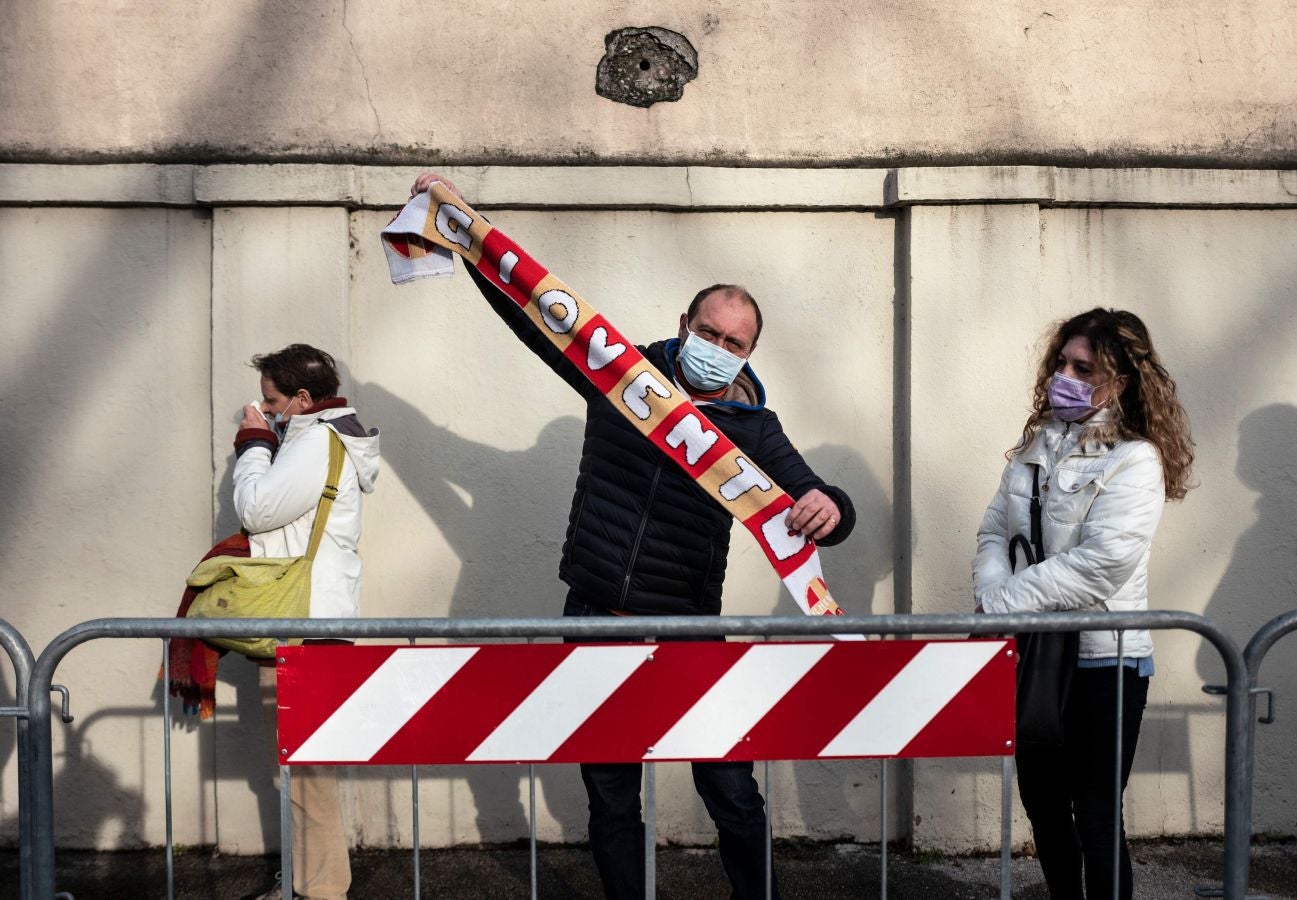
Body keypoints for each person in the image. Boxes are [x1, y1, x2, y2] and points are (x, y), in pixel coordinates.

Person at [411, 173, 856, 900]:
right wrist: (464, 230)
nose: (716, 347)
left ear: (749, 353)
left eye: (733, 342)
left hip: (688, 625)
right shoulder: (623, 377)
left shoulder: (754, 429)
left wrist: (829, 507)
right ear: (684, 323)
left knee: (731, 794)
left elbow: (824, 504)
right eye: (707, 332)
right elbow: (533, 316)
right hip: (593, 614)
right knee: (613, 801)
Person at [972, 309, 1193, 900]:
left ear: (1118, 381)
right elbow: (994, 531)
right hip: (1034, 655)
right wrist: (994, 596)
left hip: (1103, 659)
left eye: (1082, 368)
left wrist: (1003, 606)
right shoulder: (1035, 447)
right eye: (1061, 363)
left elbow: (1102, 564)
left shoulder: (1134, 459)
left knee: (1095, 812)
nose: (1063, 376)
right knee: (1042, 805)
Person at [233, 344, 380, 900]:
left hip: (305, 623)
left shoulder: (316, 439)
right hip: (311, 619)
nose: (266, 412)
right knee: (305, 768)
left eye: (272, 402)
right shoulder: (317, 437)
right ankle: (308, 882)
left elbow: (256, 510)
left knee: (311, 771)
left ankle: (319, 890)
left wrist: (253, 446)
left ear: (301, 398)